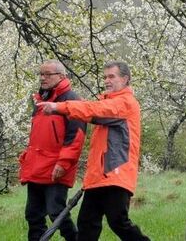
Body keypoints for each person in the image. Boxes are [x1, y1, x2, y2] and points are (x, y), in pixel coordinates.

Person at [38, 61, 150, 240]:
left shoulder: (125, 103)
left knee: (118, 222)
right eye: (105, 77)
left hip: (116, 175)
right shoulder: (109, 102)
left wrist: (59, 107)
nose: (106, 80)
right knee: (86, 225)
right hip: (97, 178)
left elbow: (94, 111)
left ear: (125, 79)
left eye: (111, 76)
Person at [19, 60, 85, 241]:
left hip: (57, 168)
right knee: (33, 215)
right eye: (41, 74)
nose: (42, 78)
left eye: (48, 74)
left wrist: (63, 163)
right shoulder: (41, 101)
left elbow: (76, 137)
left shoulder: (72, 101)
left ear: (61, 76)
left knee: (57, 213)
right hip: (36, 168)